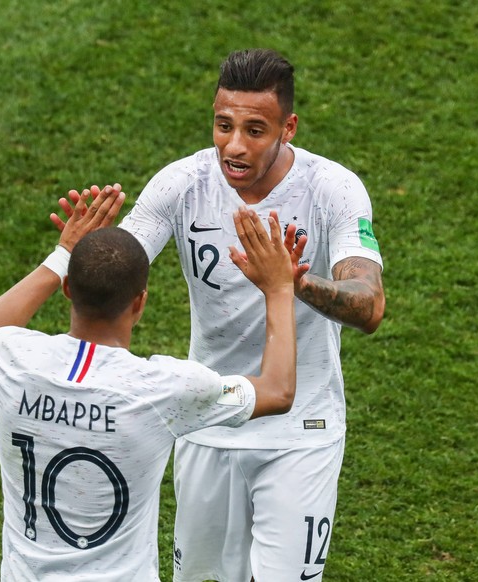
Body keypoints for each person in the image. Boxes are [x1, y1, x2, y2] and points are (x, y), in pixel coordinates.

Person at [55, 48, 386, 581]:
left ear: (289, 127)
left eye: (255, 130)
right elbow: (118, 269)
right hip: (209, 419)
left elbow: (369, 306)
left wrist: (291, 281)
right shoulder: (182, 185)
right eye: (223, 125)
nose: (234, 145)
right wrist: (79, 251)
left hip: (302, 430)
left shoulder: (334, 189)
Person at [0, 185, 301, 581]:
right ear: (140, 302)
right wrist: (280, 289)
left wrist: (60, 257)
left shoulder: (12, 359)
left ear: (69, 289)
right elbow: (278, 391)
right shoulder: (164, 388)